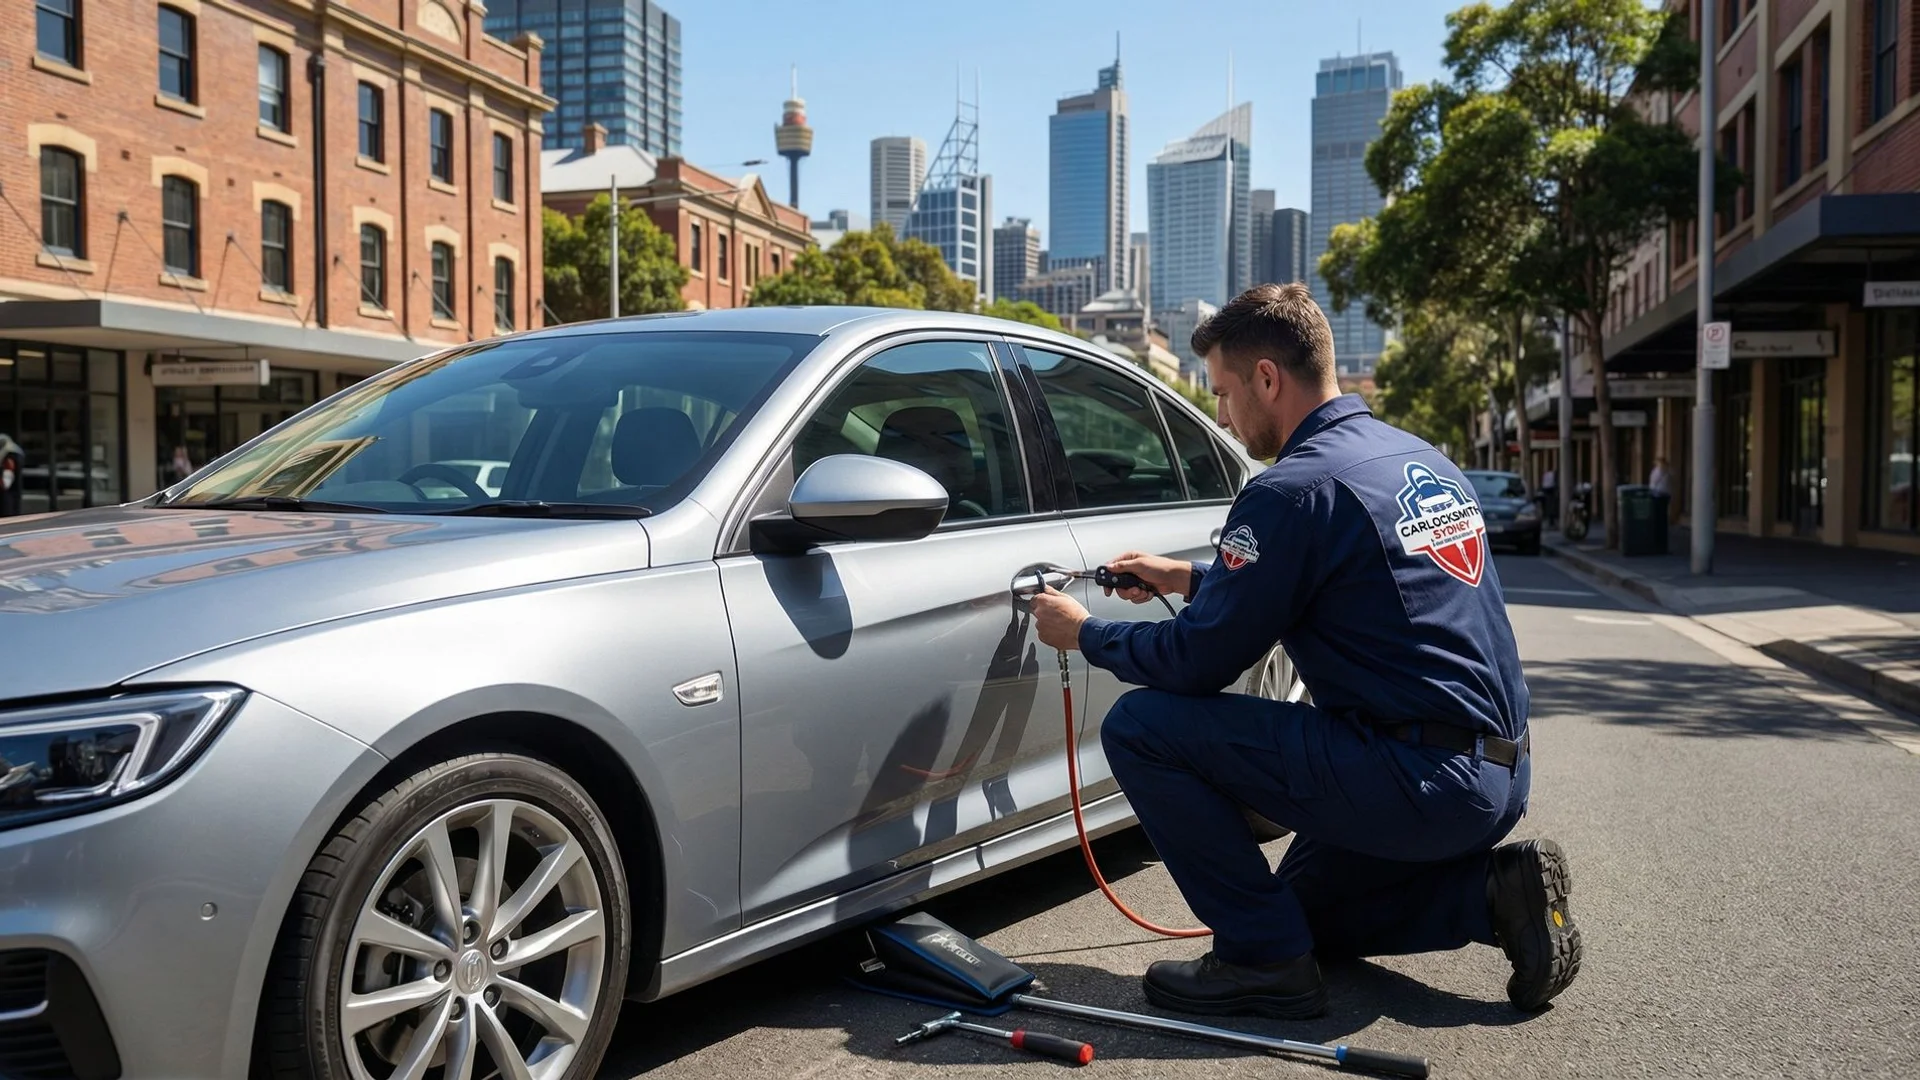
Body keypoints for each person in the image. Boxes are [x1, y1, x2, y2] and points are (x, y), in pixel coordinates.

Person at [1030, 283, 1581, 1021]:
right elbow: (1349, 596)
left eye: (1224, 392)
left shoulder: (1289, 490)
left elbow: (1197, 664)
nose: (1222, 415)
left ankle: (1260, 965)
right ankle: (1492, 896)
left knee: (1142, 727)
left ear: (1267, 378)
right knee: (1301, 916)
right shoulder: (1416, 458)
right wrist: (1193, 579)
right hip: (1495, 777)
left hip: (1415, 777)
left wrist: (1084, 632)